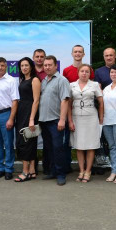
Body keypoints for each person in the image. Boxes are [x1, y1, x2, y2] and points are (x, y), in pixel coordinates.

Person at [67, 64, 103, 183]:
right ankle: (81, 170)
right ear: (78, 73)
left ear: (90, 73)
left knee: (91, 145)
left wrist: (101, 118)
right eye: (82, 71)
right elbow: (68, 104)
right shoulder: (71, 85)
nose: (84, 73)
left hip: (91, 117)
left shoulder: (95, 85)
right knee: (79, 145)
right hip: (76, 117)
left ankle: (88, 171)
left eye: (87, 71)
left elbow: (101, 102)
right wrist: (70, 120)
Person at [38, 55, 71, 186]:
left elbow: (65, 100)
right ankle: (53, 172)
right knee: (49, 148)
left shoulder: (62, 80)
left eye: (49, 65)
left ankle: (61, 174)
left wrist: (62, 120)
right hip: (44, 120)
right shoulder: (44, 81)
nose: (47, 67)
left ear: (55, 66)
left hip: (56, 120)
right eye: (45, 65)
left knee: (58, 148)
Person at [62, 44, 94, 172]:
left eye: (80, 52)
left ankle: (89, 167)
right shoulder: (66, 70)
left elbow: (92, 88)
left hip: (87, 111)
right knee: (72, 140)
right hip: (71, 109)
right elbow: (65, 93)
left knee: (88, 140)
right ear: (72, 54)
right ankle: (68, 166)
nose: (77, 54)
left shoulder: (89, 70)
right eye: (75, 52)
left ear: (83, 54)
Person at [0, 57, 19, 180]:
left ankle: (9, 169)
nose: (0, 68)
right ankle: (0, 168)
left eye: (2, 65)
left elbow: (15, 101)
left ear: (6, 66)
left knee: (8, 143)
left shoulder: (11, 80)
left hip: (6, 113)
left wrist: (11, 118)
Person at [14, 57, 41, 182]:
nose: (24, 67)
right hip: (21, 112)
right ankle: (32, 170)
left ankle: (25, 172)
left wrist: (31, 119)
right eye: (22, 65)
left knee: (26, 141)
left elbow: (36, 100)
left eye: (26, 65)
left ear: (31, 67)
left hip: (30, 113)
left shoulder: (35, 80)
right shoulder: (23, 80)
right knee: (27, 141)